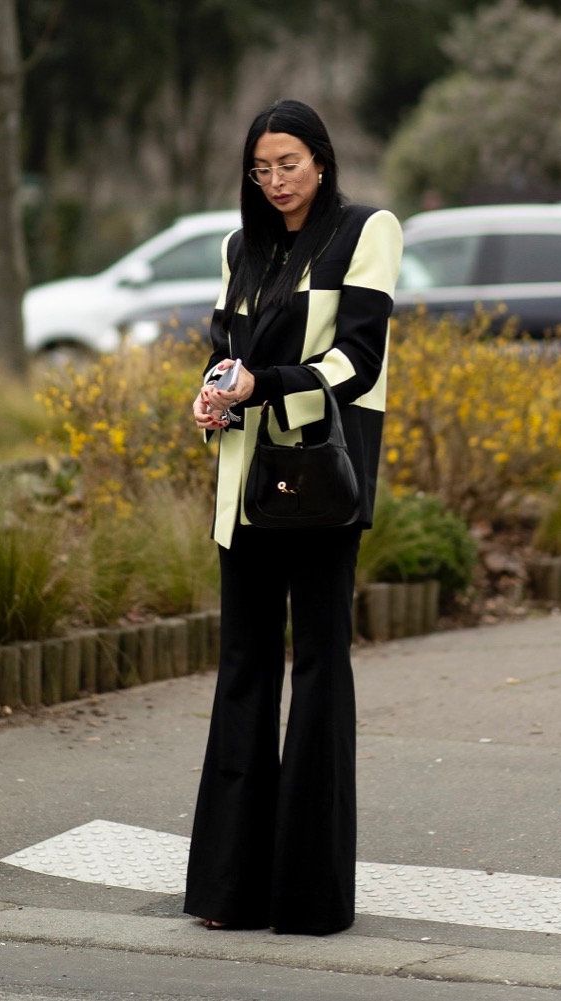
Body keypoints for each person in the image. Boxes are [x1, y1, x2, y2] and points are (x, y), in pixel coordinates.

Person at [184, 98, 403, 936]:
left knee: (316, 669)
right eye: (261, 167)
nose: (275, 181)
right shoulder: (242, 247)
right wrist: (209, 395)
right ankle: (229, 890)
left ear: (321, 160)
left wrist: (261, 387)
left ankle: (308, 897)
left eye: (289, 163)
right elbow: (223, 351)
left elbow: (358, 358)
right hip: (243, 481)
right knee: (242, 667)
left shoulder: (365, 231)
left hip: (320, 479)